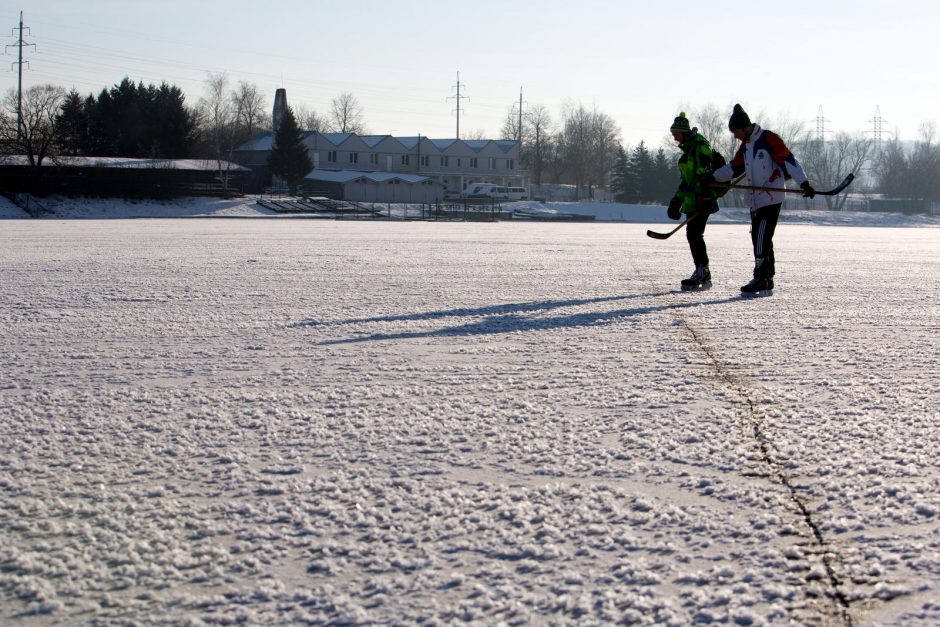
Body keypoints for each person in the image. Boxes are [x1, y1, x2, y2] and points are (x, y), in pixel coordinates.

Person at [710, 104, 816, 295]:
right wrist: (713, 177)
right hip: (755, 199)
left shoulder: (768, 139)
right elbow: (734, 167)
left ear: (743, 127)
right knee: (760, 237)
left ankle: (760, 276)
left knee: (761, 236)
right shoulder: (746, 146)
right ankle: (767, 277)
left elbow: (789, 160)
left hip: (771, 196)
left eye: (735, 132)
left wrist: (804, 182)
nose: (735, 136)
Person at [667, 113, 722, 291]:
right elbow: (687, 182)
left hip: (702, 200)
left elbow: (706, 176)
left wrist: (706, 197)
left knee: (694, 234)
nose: (674, 137)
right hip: (692, 201)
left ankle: (703, 271)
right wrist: (676, 201)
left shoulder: (700, 147)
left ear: (684, 132)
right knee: (693, 235)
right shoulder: (687, 153)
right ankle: (702, 270)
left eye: (676, 133)